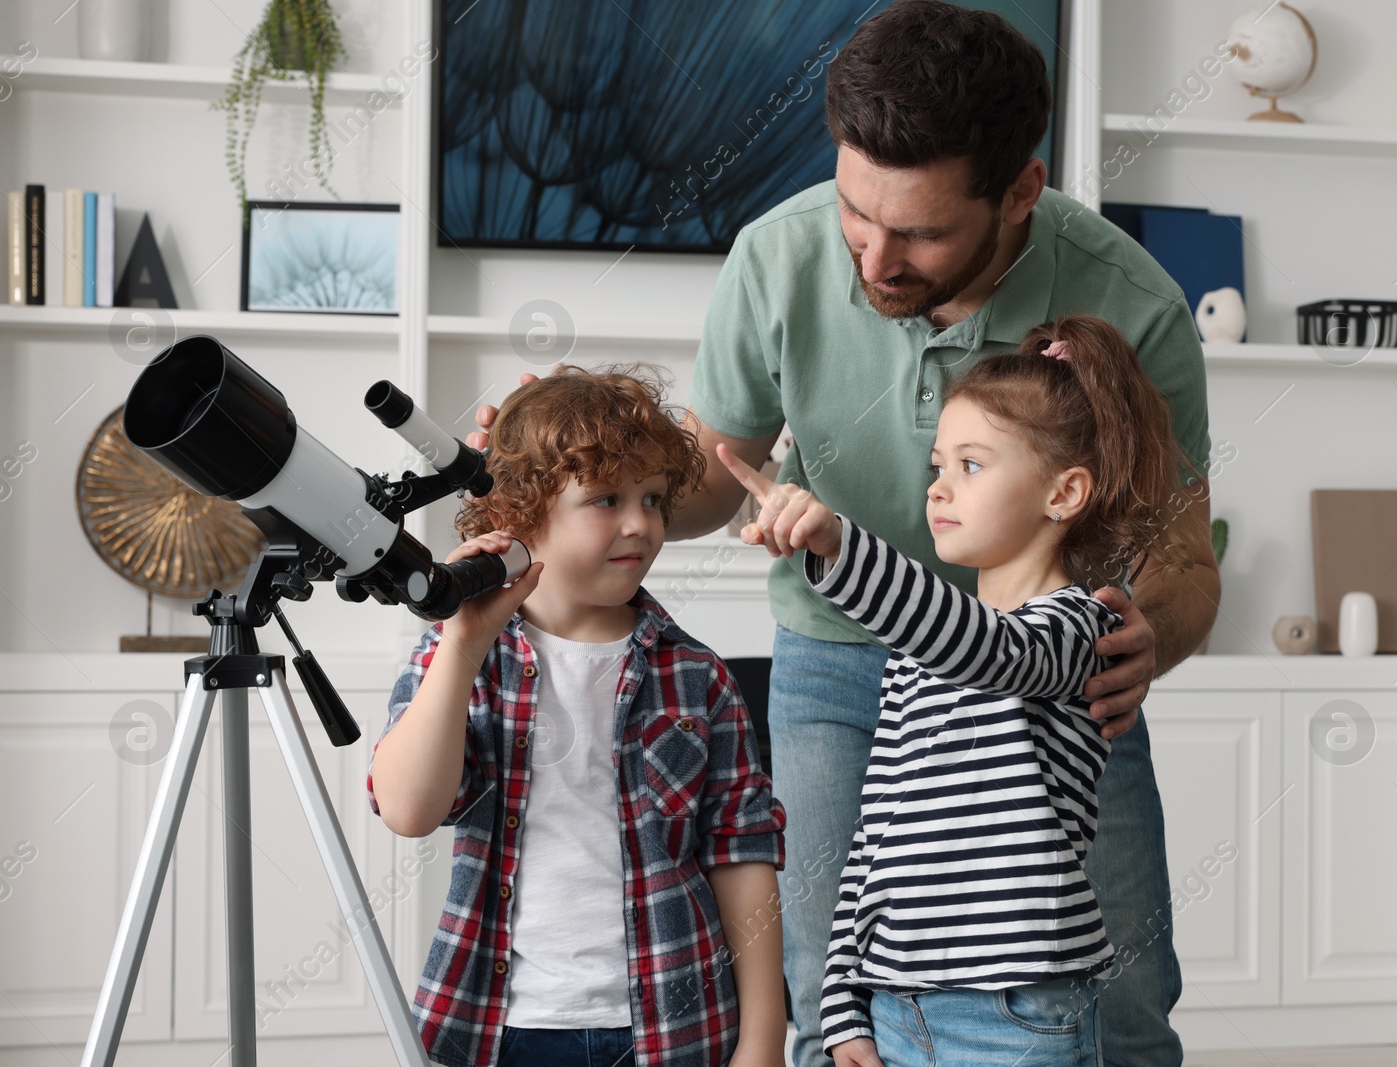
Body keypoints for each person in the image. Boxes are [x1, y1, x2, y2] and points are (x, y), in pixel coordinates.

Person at [472, 5, 1220, 1064]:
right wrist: (580, 469)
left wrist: (1154, 631)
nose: (872, 256)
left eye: (916, 232)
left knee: (1120, 1003)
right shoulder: (775, 256)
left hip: (1051, 681)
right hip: (841, 667)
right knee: (838, 1001)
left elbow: (1184, 558)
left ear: (1019, 192)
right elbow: (707, 483)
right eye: (855, 213)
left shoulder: (1132, 304)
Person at [718, 315, 1201, 1067]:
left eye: (972, 465)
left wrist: (839, 545)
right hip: (897, 1009)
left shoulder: (1078, 629)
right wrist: (842, 1002)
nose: (939, 486)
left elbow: (990, 649)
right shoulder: (919, 657)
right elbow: (873, 841)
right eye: (938, 464)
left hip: (1019, 1015)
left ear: (1065, 492)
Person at [369, 364, 790, 1067]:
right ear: (517, 516)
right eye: (605, 499)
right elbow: (408, 809)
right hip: (506, 1030)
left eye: (654, 498)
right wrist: (461, 643)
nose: (641, 523)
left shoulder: (698, 677)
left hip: (677, 1026)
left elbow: (742, 857)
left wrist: (764, 1037)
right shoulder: (462, 658)